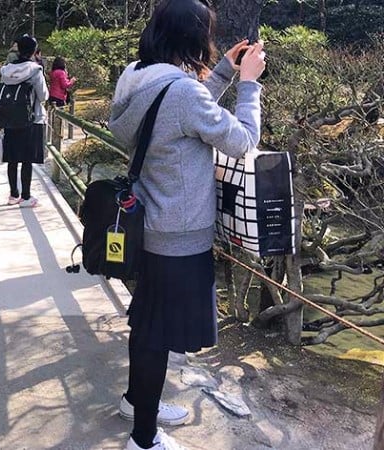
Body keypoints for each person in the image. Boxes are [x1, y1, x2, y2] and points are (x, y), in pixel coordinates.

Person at [106, 1, 266, 449]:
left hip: (148, 225)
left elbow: (175, 115)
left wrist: (222, 74)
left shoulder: (137, 79)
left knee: (147, 324)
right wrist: (249, 85)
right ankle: (144, 437)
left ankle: (138, 402)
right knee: (157, 335)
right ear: (194, 37)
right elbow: (241, 142)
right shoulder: (180, 92)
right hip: (178, 233)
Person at [0, 35, 49, 208]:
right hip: (32, 118)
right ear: (35, 51)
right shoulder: (35, 70)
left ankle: (13, 195)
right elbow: (43, 96)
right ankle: (26, 197)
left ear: (19, 49)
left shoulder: (6, 70)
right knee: (27, 159)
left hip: (10, 119)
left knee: (12, 158)